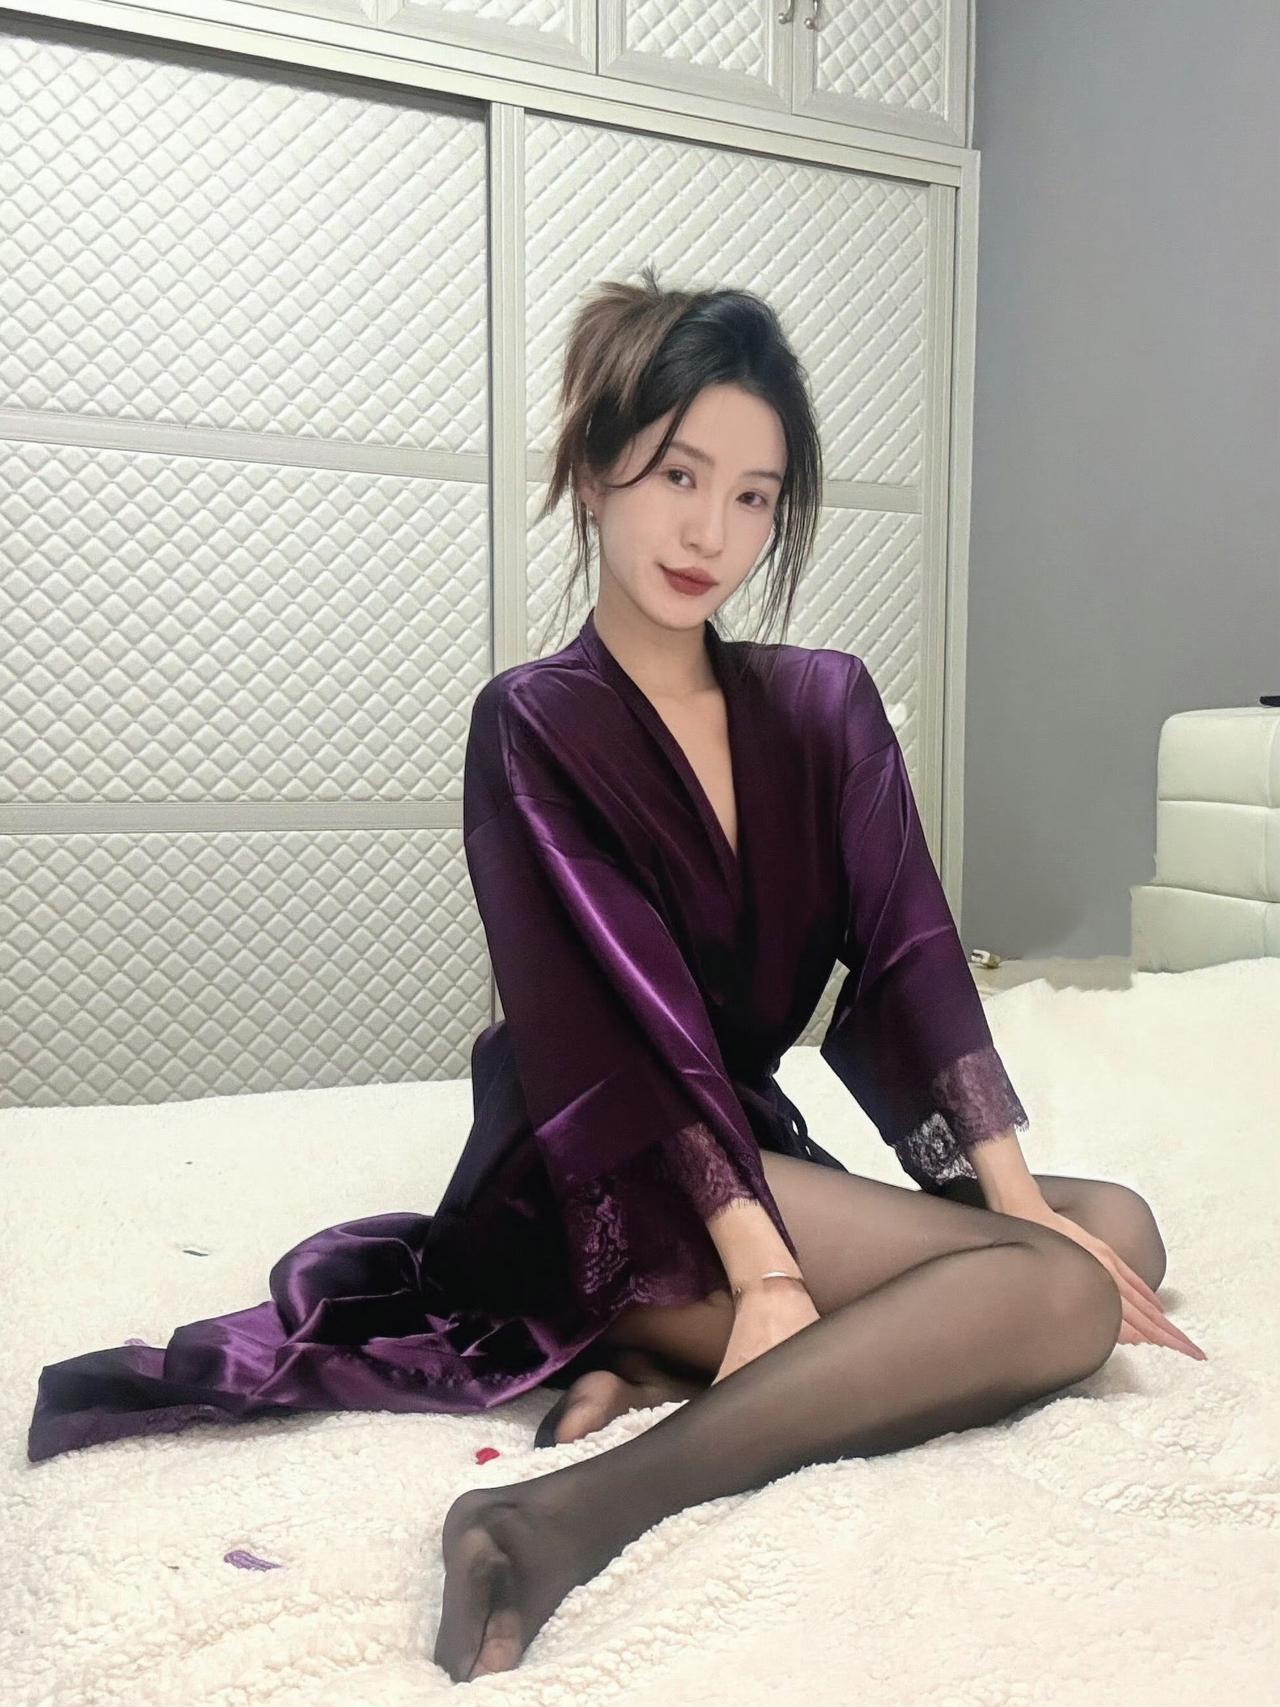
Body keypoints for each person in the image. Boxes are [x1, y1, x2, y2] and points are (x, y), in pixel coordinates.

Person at [27, 266, 1204, 1683]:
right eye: (676, 475)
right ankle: (558, 1516)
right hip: (589, 1174)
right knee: (1059, 1300)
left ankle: (657, 1362)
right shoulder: (533, 722)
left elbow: (912, 957)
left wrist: (1017, 1203)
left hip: (743, 1142)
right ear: (594, 473)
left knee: (1108, 1232)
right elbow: (620, 1028)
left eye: (755, 496)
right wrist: (767, 1274)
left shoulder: (824, 707)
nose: (711, 532)